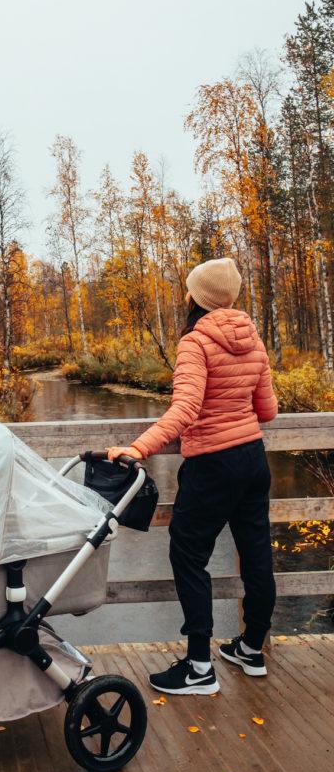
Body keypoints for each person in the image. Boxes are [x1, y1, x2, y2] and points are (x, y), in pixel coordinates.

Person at [107, 257, 278, 695]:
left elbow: (184, 410)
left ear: (197, 297)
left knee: (187, 555)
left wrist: (137, 448)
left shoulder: (196, 342)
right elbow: (268, 412)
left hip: (213, 467)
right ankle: (251, 648)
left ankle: (199, 667)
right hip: (252, 460)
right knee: (256, 553)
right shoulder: (253, 339)